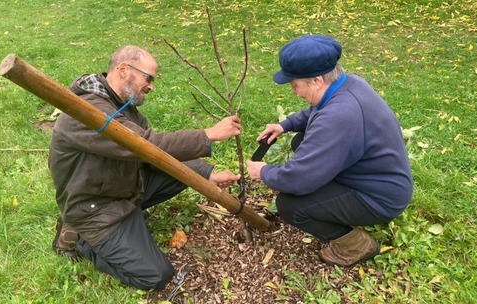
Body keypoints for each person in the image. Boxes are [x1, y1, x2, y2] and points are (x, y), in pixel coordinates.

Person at [49, 45, 242, 290]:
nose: (151, 86)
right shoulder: (85, 113)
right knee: (155, 276)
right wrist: (208, 134)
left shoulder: (122, 107)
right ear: (123, 69)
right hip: (95, 208)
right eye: (148, 77)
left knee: (185, 174)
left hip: (123, 187)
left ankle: (131, 219)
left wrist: (206, 174)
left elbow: (155, 156)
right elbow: (144, 146)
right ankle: (80, 240)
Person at [246, 35, 413, 267]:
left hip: (378, 198)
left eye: (295, 85)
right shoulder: (347, 84)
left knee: (290, 206)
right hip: (376, 176)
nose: (294, 91)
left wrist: (263, 172)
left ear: (316, 80)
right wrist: (285, 125)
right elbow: (316, 111)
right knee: (300, 142)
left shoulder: (339, 117)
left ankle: (356, 246)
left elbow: (298, 179)